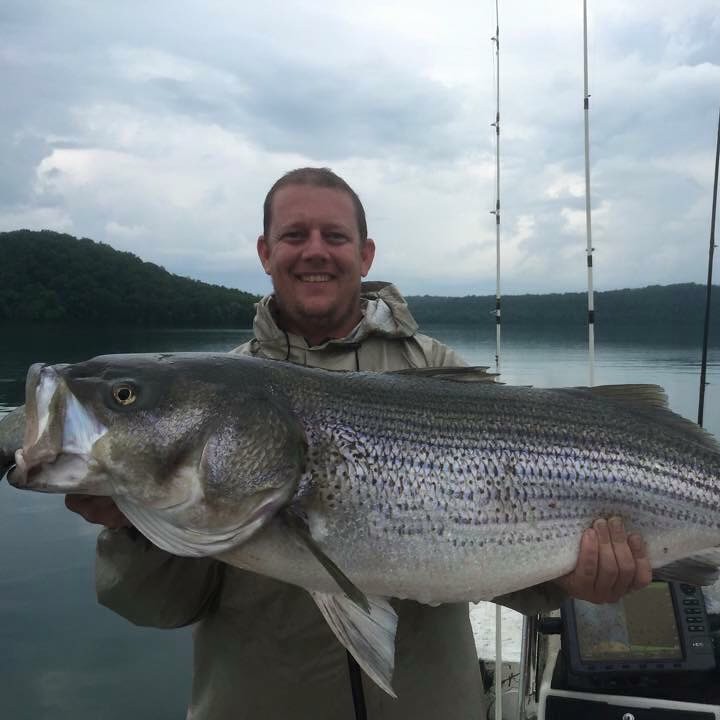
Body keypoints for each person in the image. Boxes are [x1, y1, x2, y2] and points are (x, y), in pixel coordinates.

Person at [65, 167, 652, 719]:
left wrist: (568, 582)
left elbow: (500, 547)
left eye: (335, 236)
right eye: (294, 234)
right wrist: (131, 528)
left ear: (365, 253)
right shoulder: (212, 401)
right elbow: (160, 607)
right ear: (265, 253)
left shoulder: (439, 370)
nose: (314, 250)